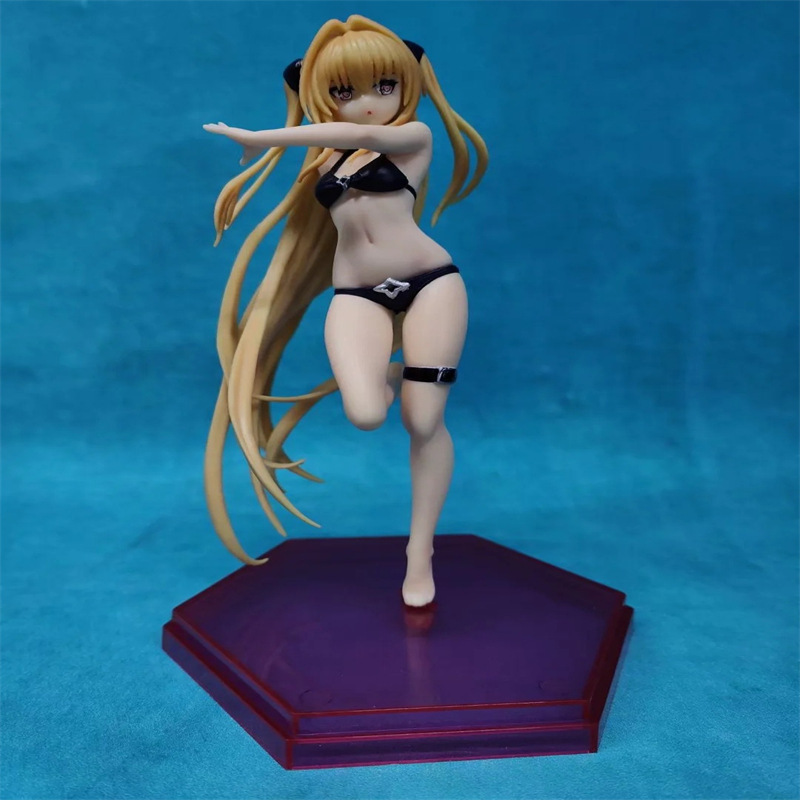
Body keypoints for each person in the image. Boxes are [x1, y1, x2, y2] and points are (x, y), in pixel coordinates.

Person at [203, 14, 488, 607]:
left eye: (384, 86)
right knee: (364, 414)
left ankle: (419, 552)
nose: (367, 103)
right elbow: (333, 147)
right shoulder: (327, 155)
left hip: (430, 284)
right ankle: (396, 371)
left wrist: (262, 138)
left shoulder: (414, 136)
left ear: (407, 84)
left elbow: (363, 133)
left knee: (424, 422)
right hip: (357, 294)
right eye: (343, 91)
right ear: (321, 93)